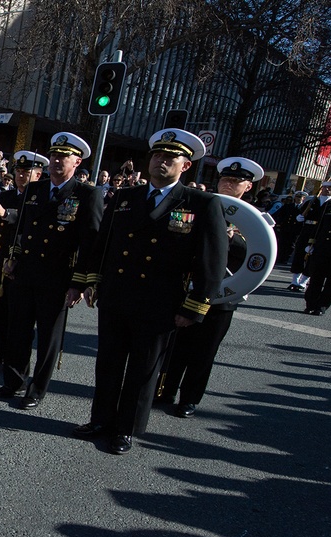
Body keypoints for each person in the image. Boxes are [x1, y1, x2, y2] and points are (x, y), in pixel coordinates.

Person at [73, 128, 227, 455]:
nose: (161, 162)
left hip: (160, 303)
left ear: (185, 166)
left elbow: (211, 261)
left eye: (170, 158)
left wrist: (194, 307)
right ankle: (100, 420)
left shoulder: (201, 203)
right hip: (116, 297)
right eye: (158, 156)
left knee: (143, 371)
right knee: (109, 364)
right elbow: (105, 244)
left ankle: (125, 429)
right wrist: (92, 280)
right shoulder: (127, 198)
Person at [0, 134, 103, 409]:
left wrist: (79, 283)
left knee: (48, 336)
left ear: (76, 162)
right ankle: (15, 380)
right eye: (54, 156)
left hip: (58, 277)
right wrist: (13, 258)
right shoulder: (35, 190)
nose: (56, 161)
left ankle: (37, 389)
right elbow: (22, 230)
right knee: (18, 330)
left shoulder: (87, 195)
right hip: (26, 272)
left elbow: (90, 243)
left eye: (63, 157)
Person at [157, 156, 260, 417]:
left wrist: (231, 240)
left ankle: (189, 399)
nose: (228, 184)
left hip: (223, 294)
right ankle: (165, 390)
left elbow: (259, 255)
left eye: (236, 181)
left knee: (204, 351)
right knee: (176, 345)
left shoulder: (256, 219)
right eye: (225, 179)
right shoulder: (201, 205)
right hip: (188, 288)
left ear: (247, 187)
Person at [0, 151, 48, 366]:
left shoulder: (41, 199)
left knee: (16, 315)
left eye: (26, 172)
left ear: (38, 175)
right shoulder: (5, 195)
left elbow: (27, 222)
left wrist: (7, 214)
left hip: (20, 264)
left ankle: (12, 356)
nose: (21, 175)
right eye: (18, 171)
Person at [290, 182, 331, 292]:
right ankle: (295, 280)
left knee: (313, 257)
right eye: (325, 187)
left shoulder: (330, 203)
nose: (327, 190)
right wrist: (299, 217)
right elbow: (301, 212)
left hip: (321, 233)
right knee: (299, 253)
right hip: (307, 230)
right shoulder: (312, 201)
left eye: (330, 188)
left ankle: (303, 281)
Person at [300, 180, 331, 315]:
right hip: (321, 248)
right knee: (316, 278)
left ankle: (321, 307)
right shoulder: (328, 205)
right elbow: (318, 226)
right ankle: (310, 304)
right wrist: (311, 243)